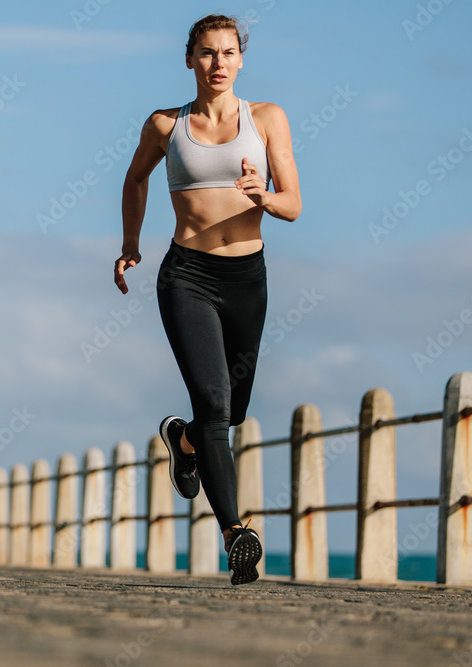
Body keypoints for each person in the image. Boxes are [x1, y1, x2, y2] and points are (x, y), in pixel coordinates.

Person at [114, 14, 301, 585]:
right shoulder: (165, 126)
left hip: (248, 277)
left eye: (227, 53)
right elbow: (135, 180)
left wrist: (262, 196)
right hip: (186, 276)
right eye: (206, 53)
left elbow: (293, 203)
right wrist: (130, 243)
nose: (218, 63)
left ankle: (185, 438)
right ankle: (235, 534)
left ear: (241, 59)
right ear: (190, 59)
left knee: (232, 411)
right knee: (217, 403)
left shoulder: (267, 119)